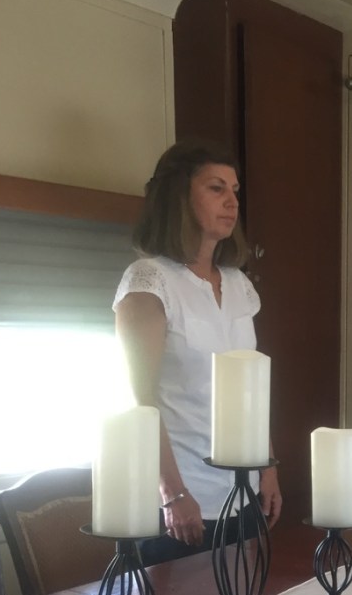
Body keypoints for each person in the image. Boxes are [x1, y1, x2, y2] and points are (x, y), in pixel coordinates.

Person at [113, 140, 281, 565]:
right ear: (180, 197)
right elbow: (140, 403)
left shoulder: (238, 284)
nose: (232, 202)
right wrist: (172, 492)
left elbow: (250, 390)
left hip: (242, 493)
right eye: (216, 188)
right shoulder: (150, 281)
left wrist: (268, 469)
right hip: (181, 500)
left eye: (235, 190)